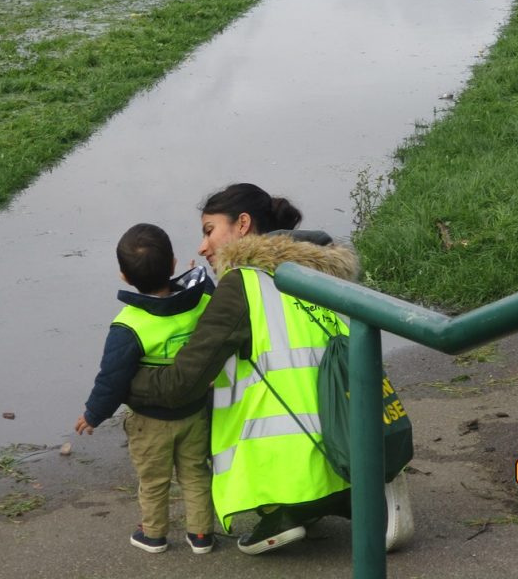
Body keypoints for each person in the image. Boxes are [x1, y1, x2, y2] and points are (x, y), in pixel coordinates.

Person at [127, 183, 414, 555]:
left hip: (293, 463)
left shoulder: (241, 284)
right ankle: (362, 491)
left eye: (209, 231)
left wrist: (125, 382)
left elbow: (182, 382)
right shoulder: (320, 274)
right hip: (353, 441)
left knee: (208, 396)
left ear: (243, 224)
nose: (202, 247)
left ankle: (285, 506)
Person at [75, 223, 216, 555]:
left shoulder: (128, 324)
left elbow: (112, 378)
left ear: (124, 277)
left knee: (154, 480)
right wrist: (197, 280)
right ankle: (201, 535)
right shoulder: (201, 303)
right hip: (194, 411)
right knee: (196, 473)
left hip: (149, 421)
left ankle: (153, 535)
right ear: (173, 264)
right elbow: (212, 300)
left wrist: (93, 414)